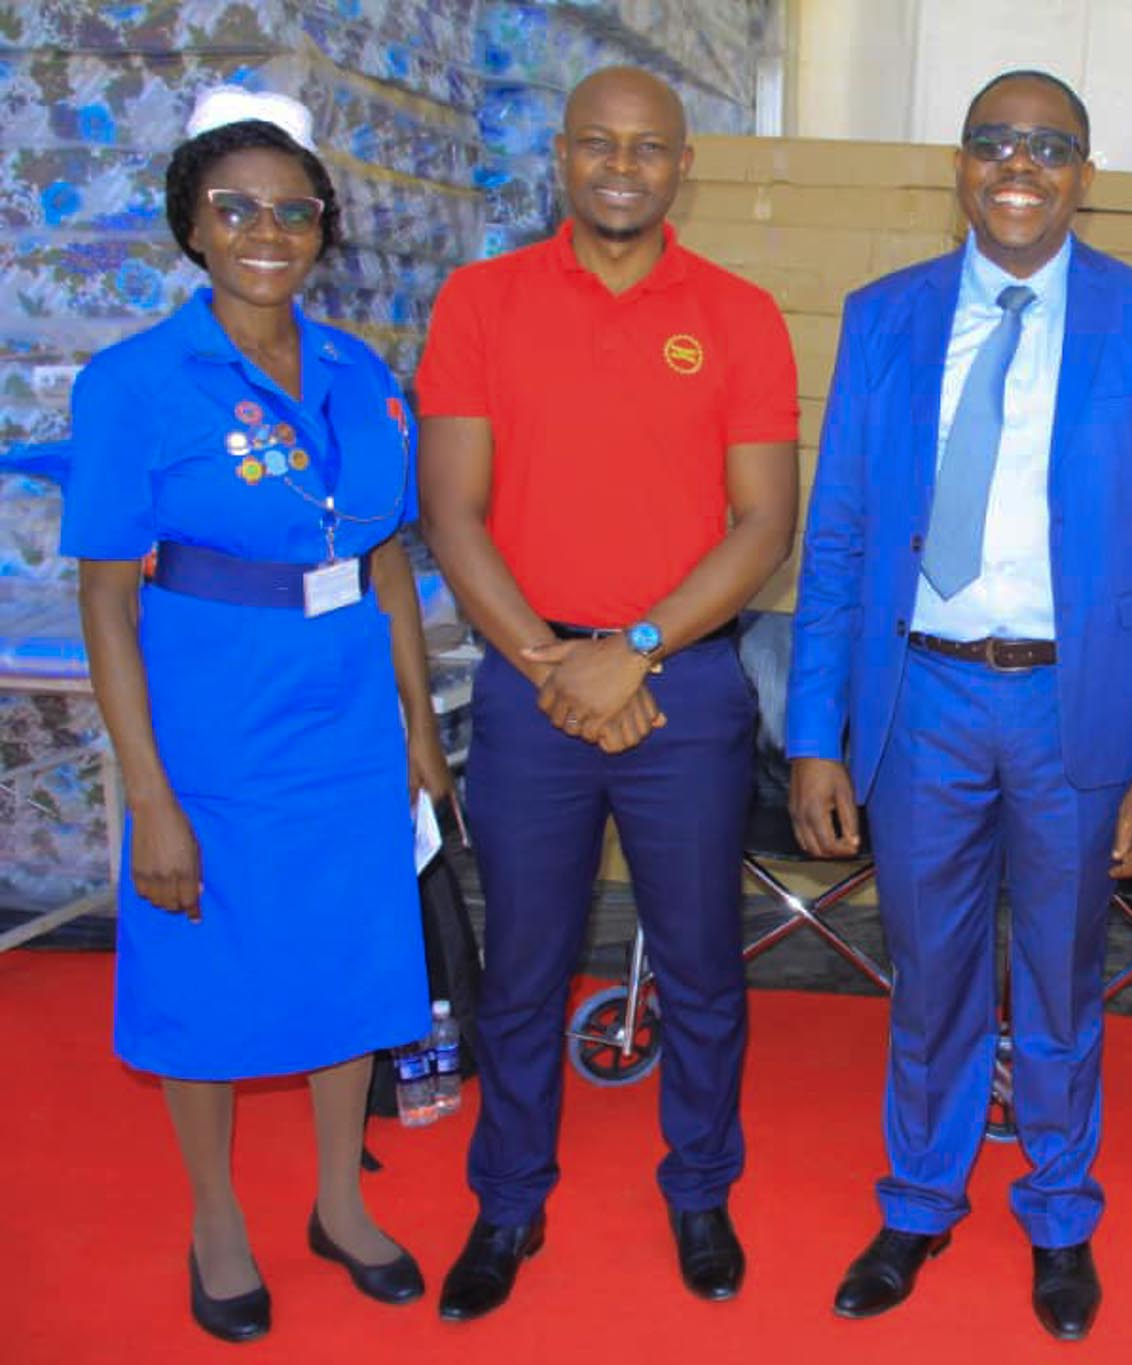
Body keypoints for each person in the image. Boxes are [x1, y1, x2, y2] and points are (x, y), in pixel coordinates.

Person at [785, 69, 1132, 1343]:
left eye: (1047, 146)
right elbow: (838, 537)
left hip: (1073, 704)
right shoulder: (884, 317)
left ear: (1083, 174)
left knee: (1063, 974)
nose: (1017, 166)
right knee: (928, 971)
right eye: (992, 142)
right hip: (920, 696)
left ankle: (1060, 1212)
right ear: (958, 166)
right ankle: (918, 1200)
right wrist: (814, 733)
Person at [61, 87, 446, 1343]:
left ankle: (339, 1203)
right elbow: (106, 601)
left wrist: (420, 729)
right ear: (191, 225)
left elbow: (385, 560)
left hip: (348, 716)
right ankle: (218, 1220)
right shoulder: (133, 385)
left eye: (293, 210)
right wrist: (150, 796)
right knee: (206, 966)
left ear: (324, 225)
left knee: (352, 957)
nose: (266, 232)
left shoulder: (359, 374)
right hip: (211, 722)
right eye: (234, 209)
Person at [415, 66, 798, 1319]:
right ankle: (507, 1200)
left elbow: (763, 525)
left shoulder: (739, 316)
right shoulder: (481, 302)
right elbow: (451, 512)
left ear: (683, 164)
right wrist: (552, 662)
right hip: (533, 690)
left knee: (699, 962)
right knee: (526, 965)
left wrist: (629, 649)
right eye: (596, 142)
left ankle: (699, 1189)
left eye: (645, 147)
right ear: (562, 158)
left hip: (681, 687)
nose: (620, 166)